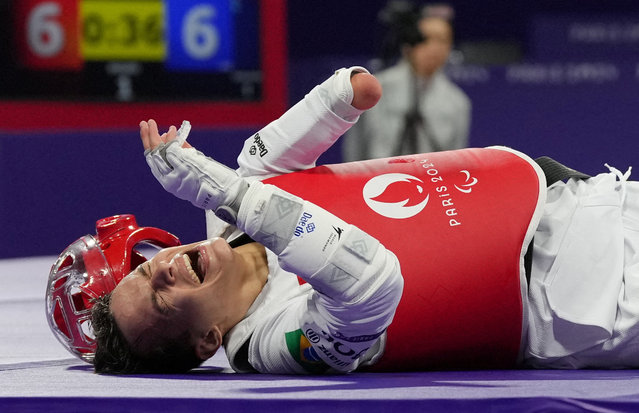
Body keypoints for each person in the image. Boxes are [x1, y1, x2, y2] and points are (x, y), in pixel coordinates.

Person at [89, 65, 639, 375]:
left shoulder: (234, 209)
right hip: (587, 300)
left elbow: (343, 100)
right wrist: (231, 191)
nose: (160, 270)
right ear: (208, 341)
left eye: (143, 272)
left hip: (588, 201)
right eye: (160, 299)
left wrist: (340, 97)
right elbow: (373, 280)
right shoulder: (273, 345)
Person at [342, 1, 471, 161]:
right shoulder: (375, 88)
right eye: (427, 39)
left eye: (443, 40)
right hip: (378, 179)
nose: (435, 47)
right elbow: (355, 148)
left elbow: (456, 161)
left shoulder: (457, 102)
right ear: (409, 42)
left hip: (431, 182)